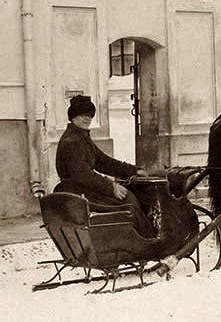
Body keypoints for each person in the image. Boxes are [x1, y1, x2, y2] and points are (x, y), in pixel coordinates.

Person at [54, 94, 154, 237]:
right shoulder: (73, 141)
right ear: (73, 117)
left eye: (90, 115)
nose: (87, 118)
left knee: (130, 195)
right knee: (129, 201)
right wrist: (110, 186)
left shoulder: (81, 137)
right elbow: (82, 174)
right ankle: (145, 241)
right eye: (83, 115)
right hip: (75, 191)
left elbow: (103, 162)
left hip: (81, 189)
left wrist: (133, 171)